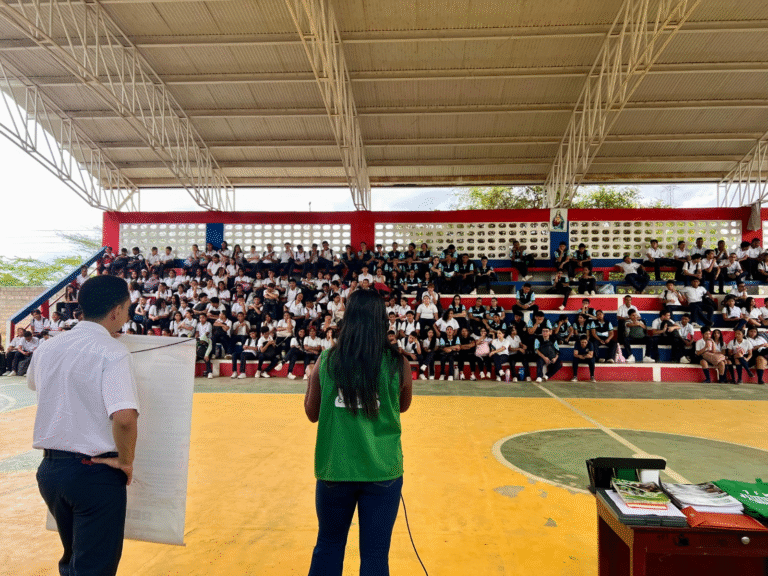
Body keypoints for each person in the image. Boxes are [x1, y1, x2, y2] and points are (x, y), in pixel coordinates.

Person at [27, 275, 138, 576]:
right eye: (127, 309)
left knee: (74, 561)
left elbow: (38, 385)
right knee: (93, 568)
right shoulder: (113, 352)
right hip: (94, 473)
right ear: (116, 311)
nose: (127, 316)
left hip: (51, 472)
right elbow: (125, 418)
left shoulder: (47, 348)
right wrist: (126, 462)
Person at [304, 289, 412, 576]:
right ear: (382, 322)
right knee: (376, 554)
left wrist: (311, 379)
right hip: (382, 471)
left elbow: (311, 413)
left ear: (348, 319)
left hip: (334, 468)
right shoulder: (398, 363)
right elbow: (402, 407)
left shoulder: (327, 361)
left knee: (328, 544)